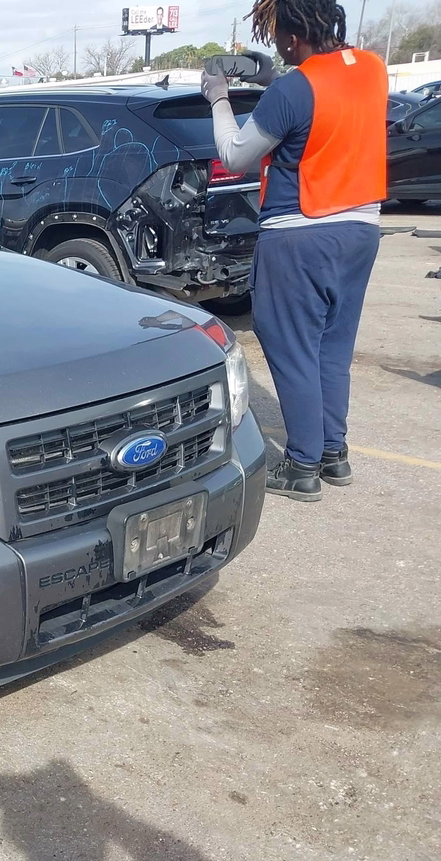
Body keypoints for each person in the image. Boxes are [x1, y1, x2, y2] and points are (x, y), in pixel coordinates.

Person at [201, 0, 386, 502]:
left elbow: (236, 155)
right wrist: (274, 81)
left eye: (276, 33)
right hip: (360, 230)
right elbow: (326, 104)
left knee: (291, 346)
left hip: (300, 231)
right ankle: (333, 453)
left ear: (290, 36)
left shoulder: (292, 89)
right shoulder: (371, 69)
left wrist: (219, 97)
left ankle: (302, 464)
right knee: (332, 347)